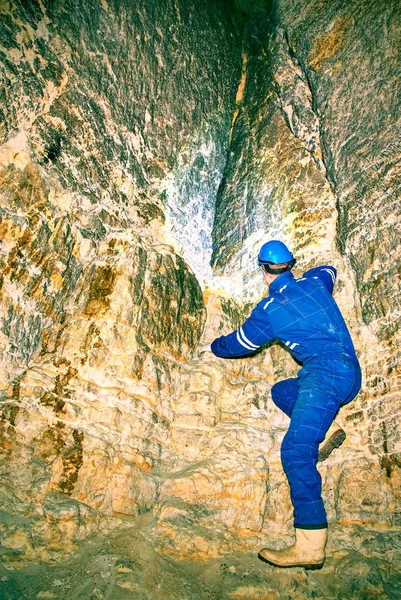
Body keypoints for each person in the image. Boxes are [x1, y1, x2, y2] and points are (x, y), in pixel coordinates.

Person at [200, 240, 361, 568]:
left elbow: (239, 344)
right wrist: (316, 273)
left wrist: (212, 347)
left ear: (263, 270)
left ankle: (310, 545)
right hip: (347, 372)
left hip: (324, 376)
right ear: (289, 265)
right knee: (282, 392)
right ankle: (321, 429)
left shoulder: (269, 310)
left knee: (295, 452)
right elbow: (328, 271)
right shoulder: (314, 283)